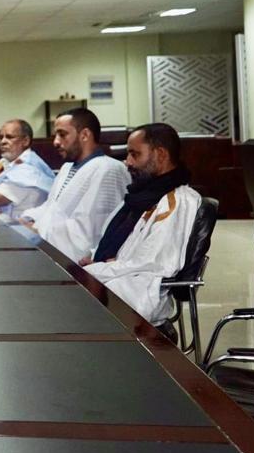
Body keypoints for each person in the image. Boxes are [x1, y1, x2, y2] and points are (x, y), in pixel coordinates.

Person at [82, 124, 199, 324]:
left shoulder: (177, 201)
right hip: (116, 279)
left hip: (137, 294)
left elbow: (152, 263)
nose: (127, 162)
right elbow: (122, 244)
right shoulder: (141, 195)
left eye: (135, 154)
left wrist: (97, 269)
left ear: (160, 155)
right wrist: (95, 260)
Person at [20, 108, 130, 261]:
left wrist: (38, 231)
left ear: (84, 135)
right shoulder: (67, 167)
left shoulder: (108, 169)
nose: (56, 142)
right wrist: (28, 219)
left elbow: (92, 230)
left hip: (77, 260)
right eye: (55, 135)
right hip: (50, 245)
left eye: (62, 134)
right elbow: (51, 208)